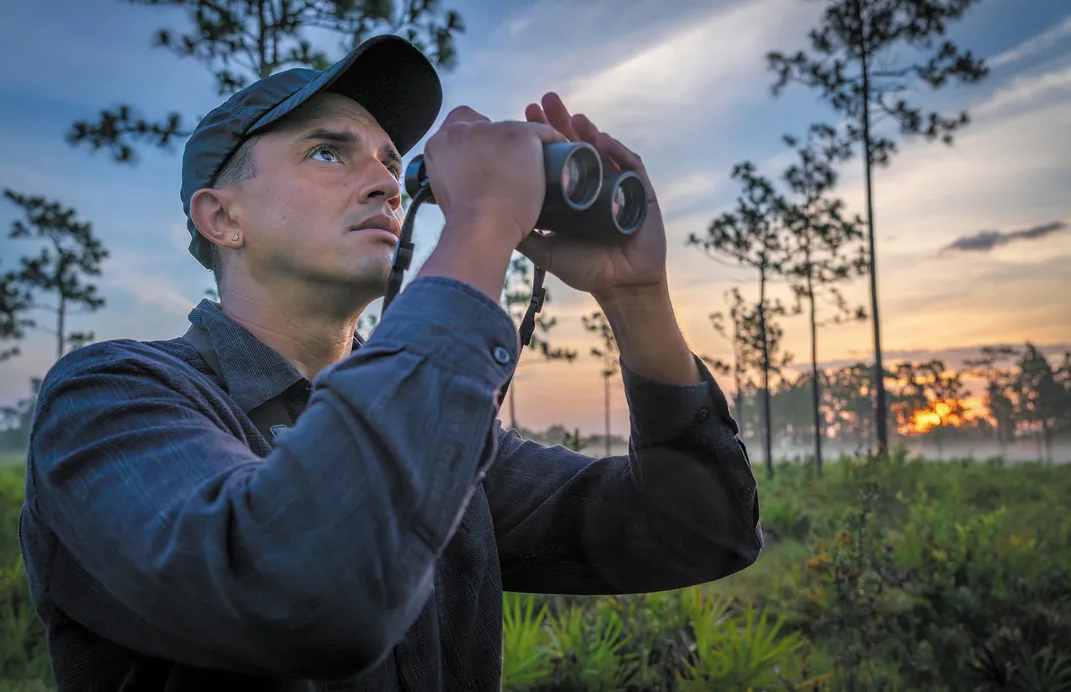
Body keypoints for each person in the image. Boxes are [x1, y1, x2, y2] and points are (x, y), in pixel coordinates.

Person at [19, 34, 762, 691]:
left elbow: (693, 531)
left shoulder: (440, 438)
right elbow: (303, 590)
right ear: (222, 217)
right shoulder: (109, 399)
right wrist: (480, 225)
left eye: (390, 162)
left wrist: (635, 297)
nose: (384, 183)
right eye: (325, 150)